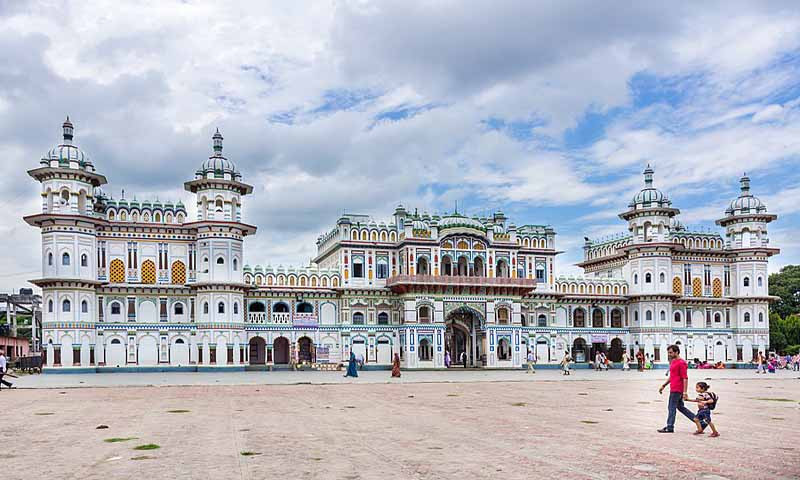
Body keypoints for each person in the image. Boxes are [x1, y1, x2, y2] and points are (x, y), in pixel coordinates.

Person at [658, 344, 699, 433]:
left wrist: (684, 392)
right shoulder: (673, 362)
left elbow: (685, 378)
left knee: (671, 407)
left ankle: (670, 426)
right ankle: (697, 420)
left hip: (677, 389)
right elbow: (672, 376)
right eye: (668, 353)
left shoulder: (681, 363)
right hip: (673, 388)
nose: (669, 354)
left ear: (676, 352)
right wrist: (664, 385)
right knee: (680, 407)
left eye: (671, 352)